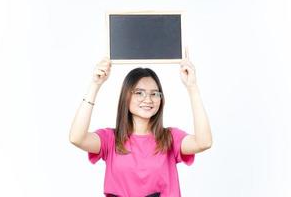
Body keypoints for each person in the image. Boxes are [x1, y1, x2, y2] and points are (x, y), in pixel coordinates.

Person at [69, 49, 213, 197]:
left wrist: (192, 88)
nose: (148, 99)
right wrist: (95, 85)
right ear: (126, 96)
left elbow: (204, 142)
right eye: (139, 92)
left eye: (154, 94)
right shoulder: (111, 139)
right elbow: (76, 138)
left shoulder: (170, 138)